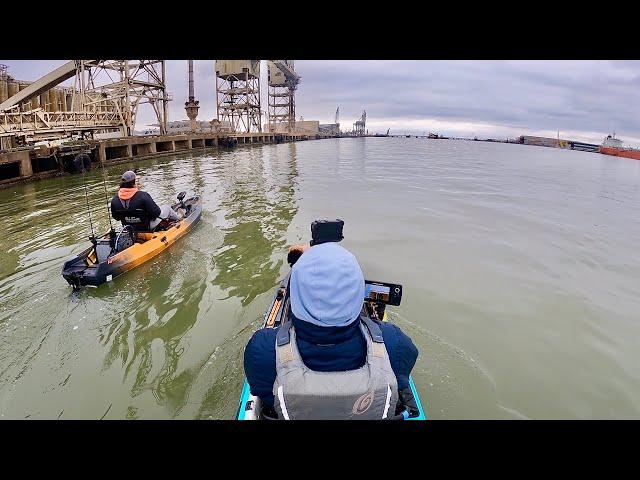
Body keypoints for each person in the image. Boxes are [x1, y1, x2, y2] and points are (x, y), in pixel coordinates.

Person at [243, 241, 419, 420]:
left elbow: (262, 391)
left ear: (293, 292)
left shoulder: (263, 350)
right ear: (358, 291)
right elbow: (402, 378)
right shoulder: (394, 343)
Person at [110, 170, 180, 230]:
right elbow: (156, 213)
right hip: (147, 226)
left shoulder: (114, 200)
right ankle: (179, 221)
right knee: (167, 207)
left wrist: (130, 219)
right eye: (137, 181)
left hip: (128, 228)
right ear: (133, 183)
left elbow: (116, 218)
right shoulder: (143, 196)